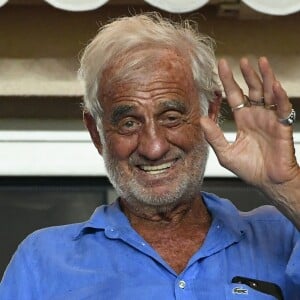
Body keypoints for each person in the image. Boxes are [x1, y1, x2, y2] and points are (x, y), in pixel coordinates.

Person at [0, 13, 299, 299]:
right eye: (128, 122)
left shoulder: (285, 236)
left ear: (209, 111)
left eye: (171, 117)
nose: (153, 147)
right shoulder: (41, 263)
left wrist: (287, 186)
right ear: (96, 132)